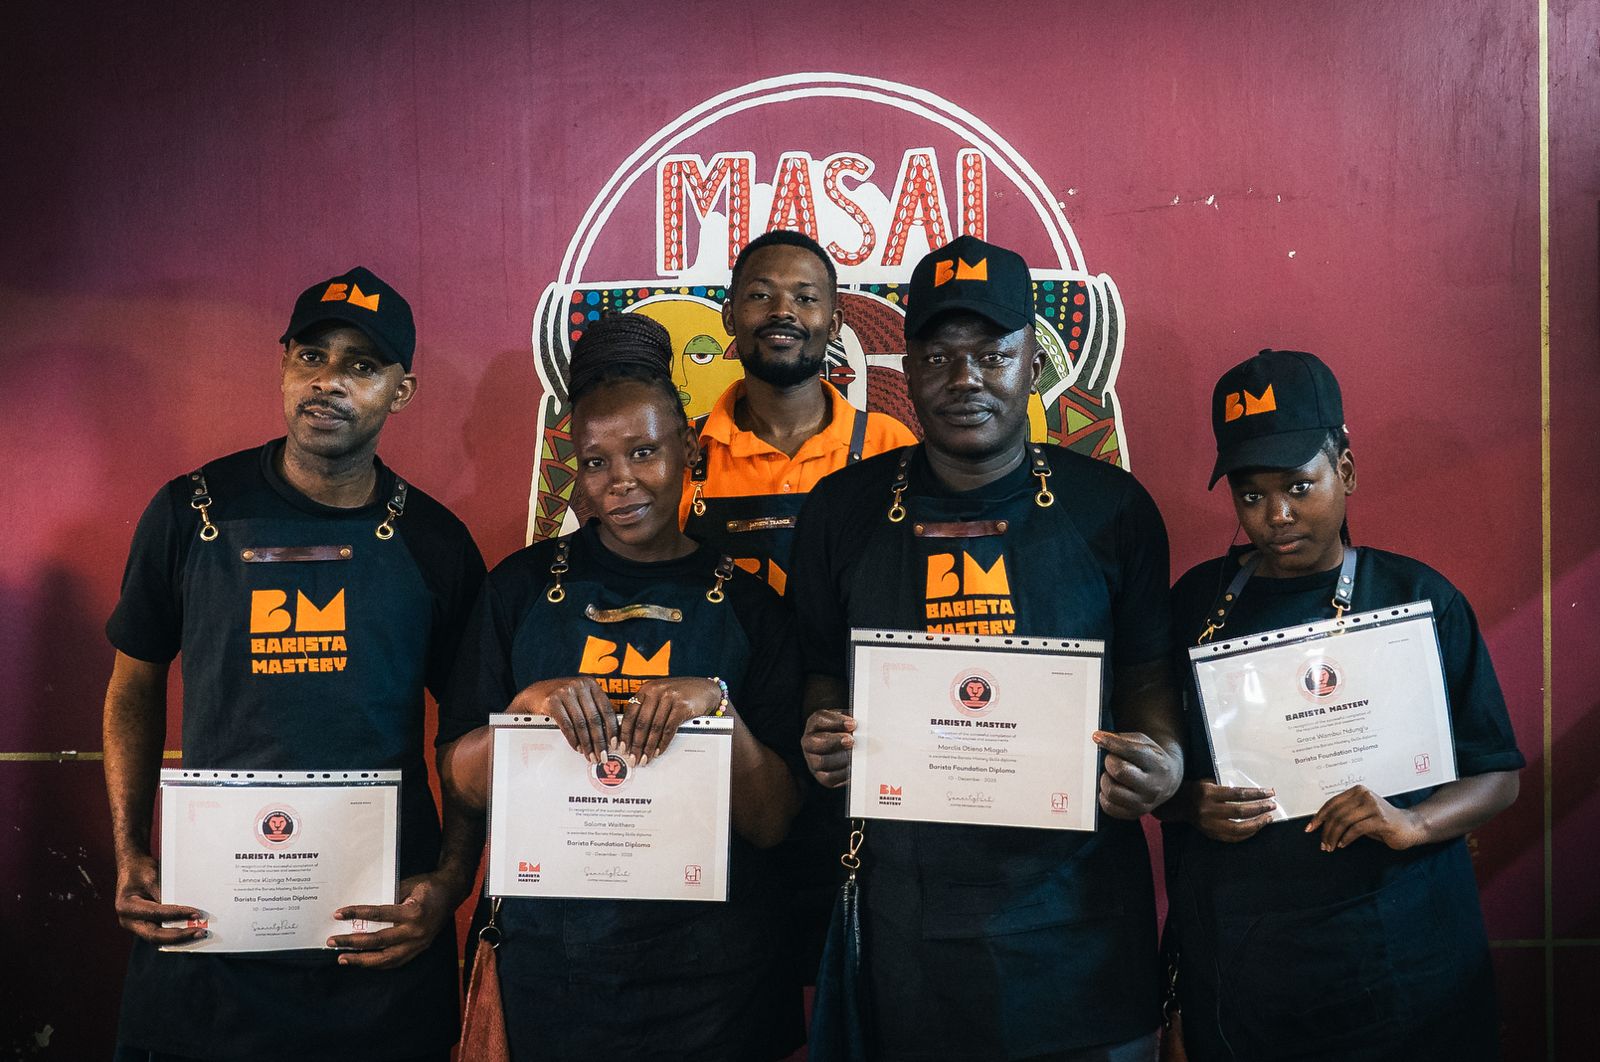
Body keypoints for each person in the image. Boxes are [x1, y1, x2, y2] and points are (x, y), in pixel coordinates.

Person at [791, 235, 1184, 1061]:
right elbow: (821, 665)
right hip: (910, 919)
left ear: (1032, 363)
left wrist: (1165, 761)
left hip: (1076, 922)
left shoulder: (1111, 508)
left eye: (992, 353)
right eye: (939, 355)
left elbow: (1149, 670)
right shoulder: (842, 509)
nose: (965, 379)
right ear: (911, 371)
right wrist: (823, 729)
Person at [103, 267, 487, 1061]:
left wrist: (448, 884)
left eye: (360, 366)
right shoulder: (192, 510)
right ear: (282, 364)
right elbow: (132, 684)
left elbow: (471, 736)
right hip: (209, 916)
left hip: (379, 935)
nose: (328, 383)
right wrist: (131, 851)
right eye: (311, 357)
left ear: (400, 389)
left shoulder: (437, 545)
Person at [438, 312, 807, 1061]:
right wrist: (523, 711)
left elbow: (775, 823)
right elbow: (463, 781)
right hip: (553, 968)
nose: (621, 482)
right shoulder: (519, 589)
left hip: (716, 982)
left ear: (689, 451)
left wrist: (720, 712)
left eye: (643, 451)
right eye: (597, 461)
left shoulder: (750, 604)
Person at [1159, 349, 1523, 1061]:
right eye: (1251, 494)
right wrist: (1190, 804)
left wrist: (1413, 822)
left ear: (1346, 472)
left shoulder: (1418, 600)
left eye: (1300, 485)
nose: (1277, 515)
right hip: (1247, 978)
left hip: (1407, 965)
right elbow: (1157, 778)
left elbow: (1497, 774)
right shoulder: (1194, 606)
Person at [682, 228, 916, 595]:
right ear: (729, 317)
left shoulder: (890, 445)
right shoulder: (684, 450)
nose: (782, 311)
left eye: (805, 298)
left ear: (834, 324)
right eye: (760, 295)